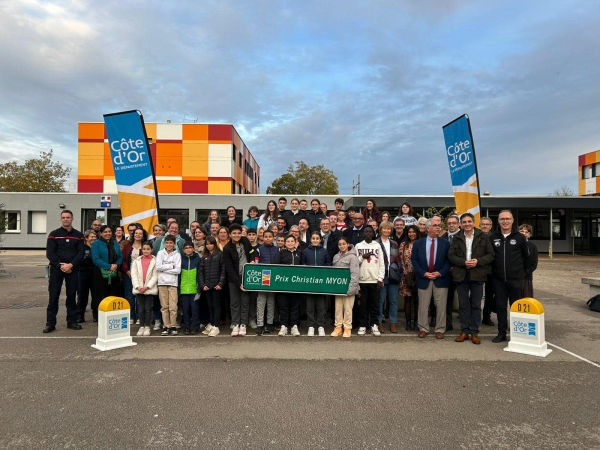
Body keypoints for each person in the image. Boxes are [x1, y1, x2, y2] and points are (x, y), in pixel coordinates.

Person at [448, 213, 495, 345]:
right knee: (463, 305)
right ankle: (464, 331)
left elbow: (491, 255)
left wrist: (478, 261)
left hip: (477, 274)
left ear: (474, 223)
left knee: (475, 305)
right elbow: (451, 255)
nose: (467, 224)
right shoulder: (456, 237)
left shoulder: (483, 237)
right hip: (461, 274)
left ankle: (474, 332)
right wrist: (463, 262)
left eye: (469, 221)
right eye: (464, 222)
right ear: (460, 224)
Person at [489, 210, 531, 343]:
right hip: (499, 280)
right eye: (502, 219)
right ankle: (502, 333)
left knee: (515, 307)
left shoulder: (520, 237)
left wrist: (522, 274)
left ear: (512, 220)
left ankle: (516, 333)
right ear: (498, 221)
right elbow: (490, 257)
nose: (505, 221)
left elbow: (527, 258)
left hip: (516, 280)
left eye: (508, 219)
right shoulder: (492, 237)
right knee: (501, 307)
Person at [44, 210, 85, 333]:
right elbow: (50, 253)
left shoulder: (79, 235)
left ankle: (72, 321)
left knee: (71, 296)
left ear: (72, 219)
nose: (66, 219)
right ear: (61, 219)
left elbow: (81, 253)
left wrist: (71, 265)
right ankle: (50, 323)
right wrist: (60, 265)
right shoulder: (53, 235)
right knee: (53, 296)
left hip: (72, 269)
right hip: (57, 269)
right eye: (63, 217)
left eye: (68, 217)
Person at [411, 216, 451, 339]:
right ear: (428, 228)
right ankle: (423, 328)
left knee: (441, 306)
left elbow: (449, 261)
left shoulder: (446, 243)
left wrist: (440, 273)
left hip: (441, 279)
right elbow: (414, 260)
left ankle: (440, 329)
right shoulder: (418, 243)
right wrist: (423, 273)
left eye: (439, 225)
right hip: (424, 278)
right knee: (423, 306)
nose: (438, 227)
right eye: (435, 225)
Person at [222, 224, 255, 337]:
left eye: (238, 233)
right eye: (234, 233)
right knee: (235, 302)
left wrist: (251, 260)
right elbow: (229, 268)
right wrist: (238, 283)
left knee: (245, 302)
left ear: (242, 233)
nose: (236, 235)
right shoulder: (227, 248)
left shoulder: (245, 241)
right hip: (233, 279)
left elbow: (251, 252)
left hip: (246, 277)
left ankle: (243, 324)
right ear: (230, 235)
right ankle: (235, 323)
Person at [355, 225, 385, 336]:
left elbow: (382, 263)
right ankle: (363, 325)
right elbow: (355, 263)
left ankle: (374, 324)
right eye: (366, 232)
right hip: (362, 280)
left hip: (374, 280)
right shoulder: (358, 246)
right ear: (363, 234)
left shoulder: (377, 245)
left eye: (370, 232)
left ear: (373, 234)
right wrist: (363, 257)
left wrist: (380, 278)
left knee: (374, 304)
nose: (368, 233)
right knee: (362, 305)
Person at [302, 232, 332, 336]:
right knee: (309, 306)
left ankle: (320, 326)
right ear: (310, 239)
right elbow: (303, 265)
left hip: (321, 283)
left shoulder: (324, 251)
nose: (315, 240)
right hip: (309, 283)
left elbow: (328, 264)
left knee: (321, 306)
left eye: (317, 238)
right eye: (313, 238)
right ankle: (311, 326)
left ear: (320, 240)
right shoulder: (305, 251)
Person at [273, 235, 302, 336]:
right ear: (285, 243)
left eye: (292, 241)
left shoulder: (299, 253)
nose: (290, 243)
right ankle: (283, 326)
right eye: (288, 241)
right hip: (283, 285)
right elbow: (275, 267)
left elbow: (304, 269)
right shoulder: (280, 254)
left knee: (295, 307)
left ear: (295, 243)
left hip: (296, 285)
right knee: (283, 307)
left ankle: (294, 326)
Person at [91, 225, 123, 316]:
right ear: (101, 233)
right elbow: (96, 259)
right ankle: (100, 316)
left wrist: (116, 265)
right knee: (101, 295)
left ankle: (112, 315)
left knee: (113, 294)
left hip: (114, 272)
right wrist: (109, 266)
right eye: (105, 232)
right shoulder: (96, 244)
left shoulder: (115, 243)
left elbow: (120, 256)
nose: (107, 233)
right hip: (100, 272)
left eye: (109, 231)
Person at [331, 237, 360, 338]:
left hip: (349, 288)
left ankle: (347, 328)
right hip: (338, 288)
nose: (342, 246)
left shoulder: (353, 257)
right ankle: (338, 327)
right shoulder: (335, 257)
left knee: (348, 309)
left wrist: (351, 289)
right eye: (340, 244)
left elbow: (355, 274)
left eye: (344, 244)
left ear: (348, 244)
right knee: (338, 308)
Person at [376, 221, 401, 333]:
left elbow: (398, 260)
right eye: (384, 229)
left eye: (389, 229)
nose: (386, 231)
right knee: (380, 300)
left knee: (393, 301)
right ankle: (379, 322)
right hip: (381, 275)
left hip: (393, 275)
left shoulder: (394, 243)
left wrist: (400, 275)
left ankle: (393, 322)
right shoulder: (375, 243)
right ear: (380, 230)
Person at [254, 229, 279, 335]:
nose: (268, 238)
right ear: (262, 238)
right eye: (266, 236)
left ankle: (269, 324)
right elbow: (256, 264)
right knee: (261, 302)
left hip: (273, 278)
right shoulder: (258, 249)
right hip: (263, 277)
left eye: (270, 236)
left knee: (271, 302)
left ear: (273, 237)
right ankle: (260, 324)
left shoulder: (277, 249)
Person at [200, 236, 226, 337]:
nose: (209, 246)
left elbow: (223, 270)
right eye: (207, 244)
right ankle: (211, 324)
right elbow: (201, 272)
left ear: (214, 244)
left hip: (217, 286)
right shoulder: (204, 256)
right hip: (207, 286)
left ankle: (216, 326)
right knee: (210, 306)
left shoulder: (220, 254)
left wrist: (220, 284)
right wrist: (203, 285)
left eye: (211, 243)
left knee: (216, 306)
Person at [156, 234, 182, 336]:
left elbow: (178, 270)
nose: (169, 244)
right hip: (162, 283)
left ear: (174, 244)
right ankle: (166, 326)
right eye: (167, 242)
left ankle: (173, 326)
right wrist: (171, 266)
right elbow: (158, 267)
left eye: (171, 242)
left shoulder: (177, 255)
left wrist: (164, 268)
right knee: (164, 306)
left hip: (172, 283)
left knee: (173, 306)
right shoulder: (160, 253)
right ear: (164, 243)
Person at [131, 241, 158, 336]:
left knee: (148, 308)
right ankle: (141, 326)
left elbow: (155, 275)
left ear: (151, 250)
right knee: (141, 308)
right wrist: (138, 286)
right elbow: (134, 274)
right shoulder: (136, 261)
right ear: (141, 250)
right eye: (144, 249)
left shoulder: (155, 260)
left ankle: (147, 326)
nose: (146, 251)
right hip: (139, 288)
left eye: (148, 249)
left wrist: (147, 286)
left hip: (149, 288)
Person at [121, 227, 148, 324]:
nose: (138, 235)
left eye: (140, 233)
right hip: (128, 274)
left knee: (139, 295)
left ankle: (139, 316)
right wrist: (127, 271)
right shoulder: (127, 246)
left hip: (141, 275)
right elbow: (123, 259)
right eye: (136, 233)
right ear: (133, 234)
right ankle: (131, 316)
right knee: (129, 296)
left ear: (143, 235)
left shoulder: (145, 246)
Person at [441, 214, 460, 331]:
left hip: (461, 271)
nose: (451, 225)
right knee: (447, 299)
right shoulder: (442, 237)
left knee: (464, 300)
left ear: (458, 224)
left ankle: (465, 325)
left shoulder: (464, 236)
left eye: (454, 223)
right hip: (446, 273)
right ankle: (448, 323)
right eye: (449, 223)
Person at [399, 225, 420, 330]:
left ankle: (416, 322)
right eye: (410, 232)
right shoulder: (403, 244)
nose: (412, 234)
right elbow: (401, 260)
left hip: (419, 275)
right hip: (406, 275)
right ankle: (408, 322)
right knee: (407, 300)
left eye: (414, 232)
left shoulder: (421, 243)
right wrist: (404, 274)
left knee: (417, 300)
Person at [179, 241, 202, 335]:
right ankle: (187, 327)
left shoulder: (198, 259)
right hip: (184, 289)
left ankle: (196, 327)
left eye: (190, 247)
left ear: (193, 249)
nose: (188, 249)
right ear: (183, 250)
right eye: (186, 248)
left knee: (194, 309)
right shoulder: (181, 259)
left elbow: (200, 274)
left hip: (194, 289)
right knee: (185, 309)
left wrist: (199, 288)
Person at [76, 229, 97, 323]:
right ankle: (80, 315)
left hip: (95, 274)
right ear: (86, 238)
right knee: (82, 295)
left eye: (95, 237)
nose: (93, 238)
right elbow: (79, 260)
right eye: (92, 237)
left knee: (95, 295)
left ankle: (96, 315)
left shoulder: (97, 247)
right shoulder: (82, 248)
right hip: (82, 273)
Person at [480, 216, 496, 326]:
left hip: (491, 271)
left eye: (487, 224)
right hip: (478, 270)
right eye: (483, 224)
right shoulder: (475, 236)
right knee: (476, 294)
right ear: (479, 226)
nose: (485, 226)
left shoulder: (495, 238)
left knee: (490, 295)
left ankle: (487, 316)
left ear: (491, 226)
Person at [519, 224, 539, 298]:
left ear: (529, 235)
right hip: (514, 277)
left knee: (526, 299)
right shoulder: (513, 245)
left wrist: (525, 273)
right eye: (522, 231)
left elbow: (534, 263)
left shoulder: (533, 247)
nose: (524, 233)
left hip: (526, 277)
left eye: (526, 232)